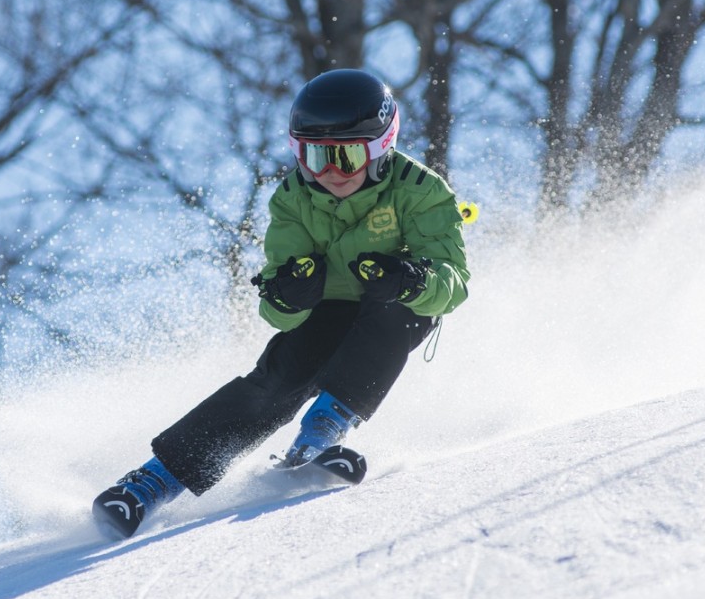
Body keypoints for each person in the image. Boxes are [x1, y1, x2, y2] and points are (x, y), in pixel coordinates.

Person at [92, 68, 470, 538]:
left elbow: (453, 283)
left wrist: (411, 280)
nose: (329, 173)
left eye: (346, 157)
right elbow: (275, 309)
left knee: (402, 315)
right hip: (326, 310)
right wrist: (289, 294)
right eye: (314, 156)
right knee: (280, 377)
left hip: (391, 304)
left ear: (380, 148)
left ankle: (319, 436)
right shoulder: (293, 198)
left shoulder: (421, 190)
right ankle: (151, 483)